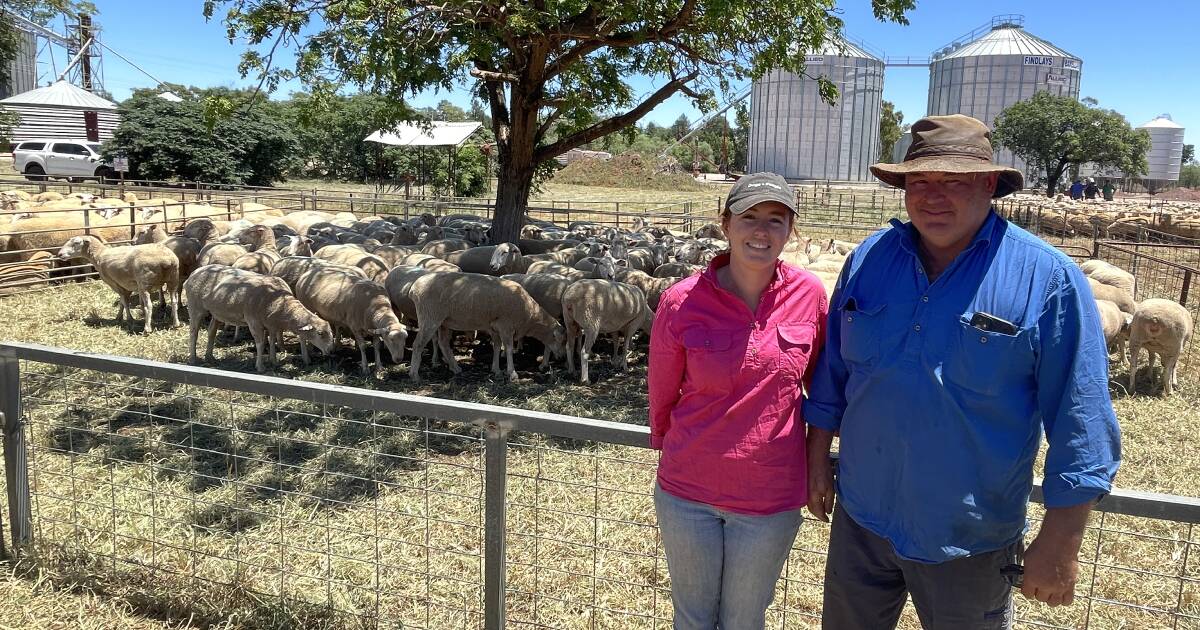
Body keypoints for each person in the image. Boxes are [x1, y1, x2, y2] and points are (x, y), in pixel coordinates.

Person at [803, 114, 1121, 629]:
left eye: (954, 181)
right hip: (863, 518)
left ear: (990, 184)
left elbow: (1080, 418)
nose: (933, 196)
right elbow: (833, 374)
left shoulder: (1049, 279)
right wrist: (816, 458)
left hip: (968, 539)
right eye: (920, 181)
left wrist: (1062, 540)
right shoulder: (869, 259)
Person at [649, 171, 828, 629]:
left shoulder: (809, 296)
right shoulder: (681, 301)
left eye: (776, 219)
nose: (761, 231)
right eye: (749, 217)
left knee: (744, 621)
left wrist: (817, 463)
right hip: (689, 493)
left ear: (792, 230)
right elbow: (662, 395)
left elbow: (823, 388)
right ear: (725, 224)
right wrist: (674, 451)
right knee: (692, 618)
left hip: (769, 498)